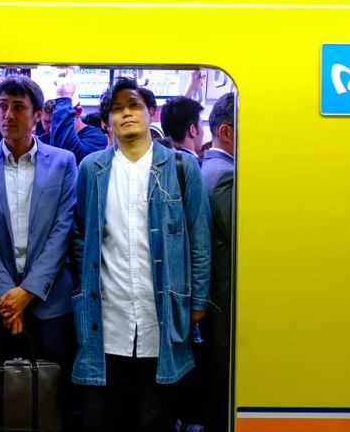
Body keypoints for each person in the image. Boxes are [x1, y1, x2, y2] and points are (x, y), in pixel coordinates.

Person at [71, 77, 212, 432]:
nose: (126, 114)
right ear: (106, 122)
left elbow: (199, 238)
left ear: (151, 112)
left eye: (134, 106)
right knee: (104, 417)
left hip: (161, 316)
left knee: (155, 417)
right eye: (116, 109)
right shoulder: (92, 169)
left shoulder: (182, 167)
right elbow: (80, 237)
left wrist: (197, 303)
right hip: (106, 318)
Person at [0, 74, 76, 363]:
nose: (7, 114)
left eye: (18, 107)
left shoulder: (63, 162)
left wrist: (27, 292)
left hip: (49, 303)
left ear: (37, 115)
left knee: (49, 394)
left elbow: (61, 232)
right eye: (2, 106)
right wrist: (9, 296)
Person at [200, 92, 235, 432]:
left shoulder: (208, 169)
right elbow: (241, 237)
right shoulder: (224, 176)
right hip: (225, 308)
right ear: (226, 131)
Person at [46, 72, 108, 164]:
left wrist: (64, 97)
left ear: (78, 112)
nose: (52, 129)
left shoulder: (97, 138)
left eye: (58, 121)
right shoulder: (41, 140)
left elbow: (66, 155)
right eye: (47, 122)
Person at [160, 96, 205, 165]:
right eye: (201, 124)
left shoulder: (159, 163)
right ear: (192, 130)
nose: (202, 130)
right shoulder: (198, 167)